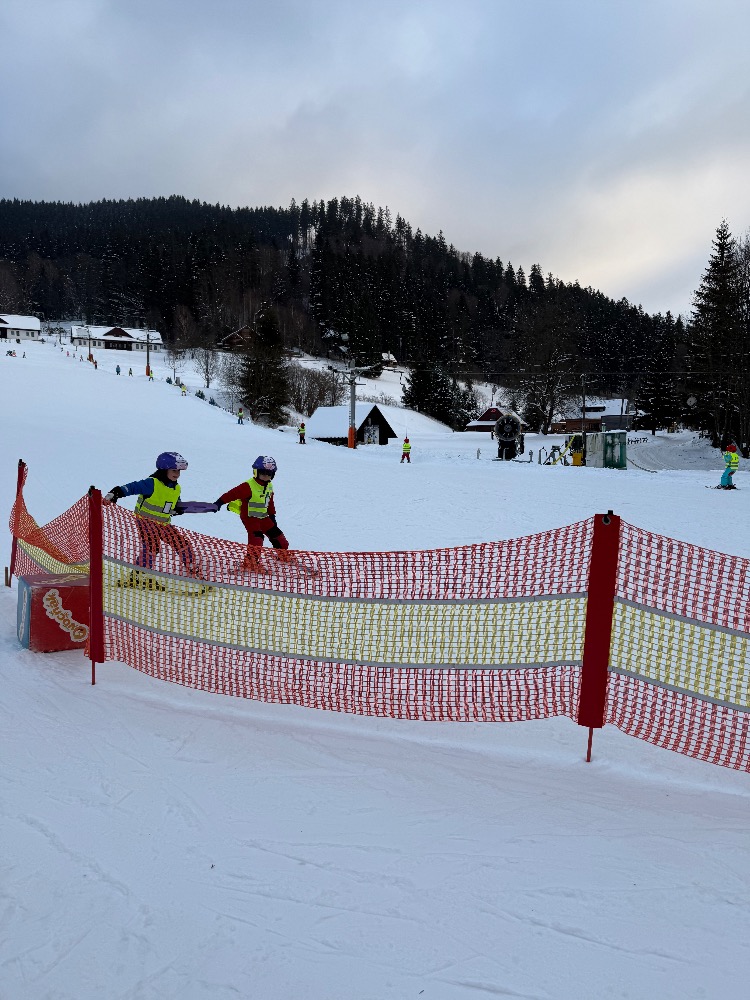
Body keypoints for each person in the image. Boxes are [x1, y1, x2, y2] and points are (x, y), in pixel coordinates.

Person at [104, 451, 215, 588]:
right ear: (164, 469)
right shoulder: (152, 483)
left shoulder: (176, 488)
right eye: (174, 470)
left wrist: (177, 509)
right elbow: (131, 488)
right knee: (152, 547)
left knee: (180, 542)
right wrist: (115, 493)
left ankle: (191, 566)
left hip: (163, 524)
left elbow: (174, 503)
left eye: (179, 471)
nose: (177, 474)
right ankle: (139, 576)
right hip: (146, 523)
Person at [215, 456, 289, 570]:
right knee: (257, 538)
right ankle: (250, 563)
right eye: (263, 473)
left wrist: (272, 516)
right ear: (256, 472)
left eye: (269, 473)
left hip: (263, 516)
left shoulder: (269, 486)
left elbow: (270, 502)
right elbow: (232, 494)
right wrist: (219, 503)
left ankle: (282, 554)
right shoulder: (248, 486)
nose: (266, 476)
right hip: (250, 517)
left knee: (278, 536)